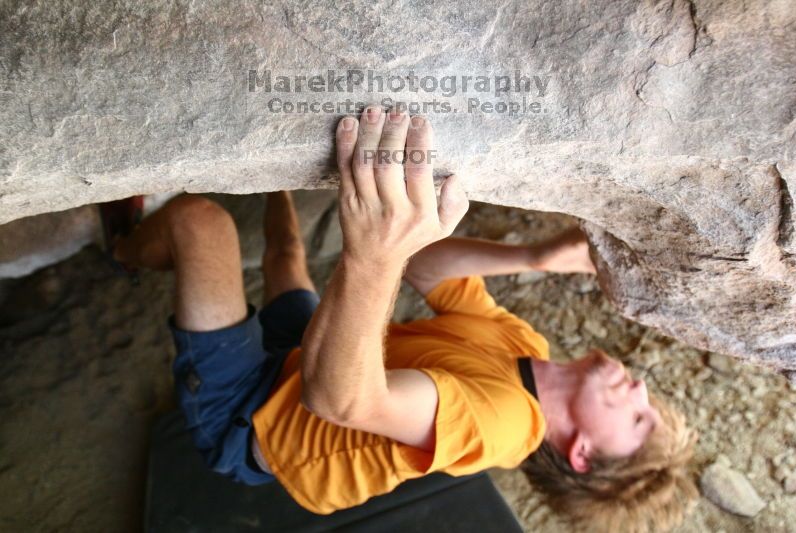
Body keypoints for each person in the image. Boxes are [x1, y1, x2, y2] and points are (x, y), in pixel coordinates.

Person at [113, 106, 697, 532]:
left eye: (640, 420)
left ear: (583, 454)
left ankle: (119, 247)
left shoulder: (503, 424)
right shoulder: (527, 349)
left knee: (200, 224)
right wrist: (535, 257)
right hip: (309, 357)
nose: (641, 390)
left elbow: (340, 400)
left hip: (254, 421)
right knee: (287, 252)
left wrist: (371, 255)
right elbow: (427, 268)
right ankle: (257, 193)